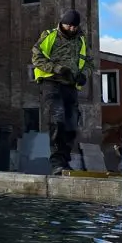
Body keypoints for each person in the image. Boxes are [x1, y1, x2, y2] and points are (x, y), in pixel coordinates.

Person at [32, 9, 89, 175]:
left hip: (70, 86)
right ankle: (56, 162)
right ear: (62, 23)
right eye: (68, 25)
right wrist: (57, 69)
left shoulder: (81, 40)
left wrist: (84, 75)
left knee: (71, 124)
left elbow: (89, 62)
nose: (71, 29)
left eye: (74, 26)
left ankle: (64, 160)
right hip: (51, 82)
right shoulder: (50, 35)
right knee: (57, 120)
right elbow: (36, 57)